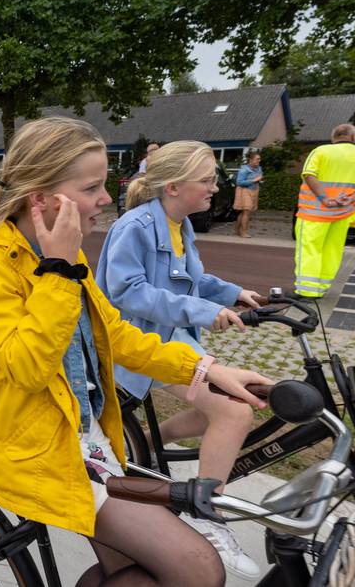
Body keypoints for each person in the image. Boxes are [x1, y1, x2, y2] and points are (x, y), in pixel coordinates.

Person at [0, 117, 272, 586]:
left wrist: (206, 370)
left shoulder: (67, 253)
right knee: (198, 568)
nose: (106, 199)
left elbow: (117, 336)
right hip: (34, 450)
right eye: (92, 187)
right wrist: (59, 269)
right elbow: (24, 368)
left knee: (138, 573)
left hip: (82, 441)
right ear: (41, 199)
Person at [96, 140, 266, 579]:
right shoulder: (134, 227)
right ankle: (206, 519)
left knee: (237, 400)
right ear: (173, 186)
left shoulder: (180, 225)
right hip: (136, 346)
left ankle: (152, 444)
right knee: (233, 411)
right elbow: (126, 291)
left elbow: (192, 277)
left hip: (173, 340)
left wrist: (232, 293)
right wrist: (204, 312)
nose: (216, 187)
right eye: (207, 179)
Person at [293, 124, 355, 299]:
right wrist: (353, 198)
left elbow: (309, 174)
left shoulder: (321, 152)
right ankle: (322, 287)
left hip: (314, 213)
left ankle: (307, 290)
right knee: (332, 250)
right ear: (353, 138)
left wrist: (325, 199)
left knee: (310, 250)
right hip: (343, 213)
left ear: (333, 137)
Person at [233, 150, 264, 238]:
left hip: (254, 190)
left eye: (259, 159)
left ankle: (236, 230)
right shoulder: (244, 170)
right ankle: (244, 232)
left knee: (245, 212)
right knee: (246, 211)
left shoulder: (259, 168)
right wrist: (254, 180)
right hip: (244, 191)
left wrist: (260, 180)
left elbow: (260, 177)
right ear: (251, 160)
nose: (259, 161)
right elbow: (239, 182)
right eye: (257, 159)